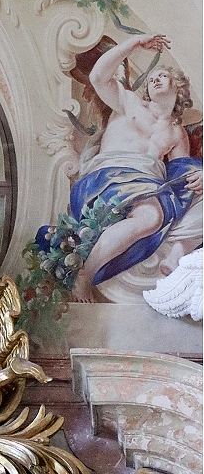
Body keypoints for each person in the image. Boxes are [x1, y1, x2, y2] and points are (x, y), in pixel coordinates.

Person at [70, 34, 202, 302]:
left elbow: (182, 175)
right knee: (151, 217)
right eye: (152, 78)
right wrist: (134, 44)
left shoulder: (176, 132)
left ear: (177, 87)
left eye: (162, 76)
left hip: (148, 186)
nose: (155, 80)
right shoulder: (129, 102)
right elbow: (98, 77)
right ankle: (85, 274)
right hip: (109, 179)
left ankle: (177, 253)